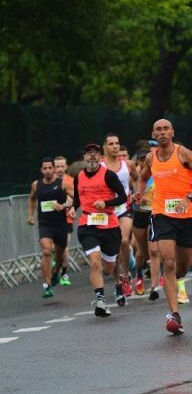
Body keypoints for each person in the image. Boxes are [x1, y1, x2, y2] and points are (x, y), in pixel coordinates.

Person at [135, 119, 192, 334]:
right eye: (158, 130)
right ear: (153, 133)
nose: (162, 133)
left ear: (172, 132)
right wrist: (140, 193)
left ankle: (180, 279)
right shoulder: (151, 157)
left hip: (186, 215)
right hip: (161, 215)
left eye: (165, 129)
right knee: (168, 262)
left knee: (183, 265)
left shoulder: (184, 154)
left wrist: (189, 197)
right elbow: (142, 177)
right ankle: (174, 315)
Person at [70, 143, 127, 317]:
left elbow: (123, 197)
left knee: (108, 267)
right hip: (88, 224)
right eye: (89, 153)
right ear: (84, 157)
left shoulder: (108, 176)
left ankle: (117, 280)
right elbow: (78, 198)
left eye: (96, 153)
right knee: (95, 262)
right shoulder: (79, 177)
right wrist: (73, 207)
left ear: (101, 157)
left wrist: (106, 203)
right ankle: (101, 300)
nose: (92, 156)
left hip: (109, 225)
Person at [102, 133, 138, 306]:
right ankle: (118, 283)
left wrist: (136, 194)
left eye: (117, 143)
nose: (115, 146)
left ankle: (126, 276)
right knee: (113, 250)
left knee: (124, 241)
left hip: (124, 208)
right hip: (108, 212)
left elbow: (138, 179)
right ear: (105, 147)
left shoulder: (127, 164)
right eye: (111, 144)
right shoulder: (100, 166)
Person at [28, 158, 72, 298]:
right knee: (46, 251)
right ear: (41, 170)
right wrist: (30, 215)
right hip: (45, 225)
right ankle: (47, 285)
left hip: (61, 225)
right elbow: (32, 198)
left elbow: (75, 198)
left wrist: (64, 206)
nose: (47, 170)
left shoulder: (63, 183)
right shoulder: (36, 185)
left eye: (49, 168)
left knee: (59, 256)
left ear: (53, 169)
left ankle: (56, 273)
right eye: (44, 168)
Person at [131, 148, 161, 299]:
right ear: (138, 161)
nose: (144, 162)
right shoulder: (134, 176)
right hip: (139, 215)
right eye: (141, 159)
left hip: (154, 214)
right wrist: (135, 197)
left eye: (146, 159)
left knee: (154, 251)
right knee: (142, 253)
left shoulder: (157, 173)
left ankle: (154, 287)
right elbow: (126, 194)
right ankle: (139, 275)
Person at [53, 156, 74, 286]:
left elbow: (74, 199)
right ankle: (57, 264)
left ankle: (64, 273)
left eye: (62, 166)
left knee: (64, 247)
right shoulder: (49, 182)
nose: (59, 169)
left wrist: (66, 205)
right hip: (51, 221)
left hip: (66, 219)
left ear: (66, 167)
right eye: (57, 167)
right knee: (51, 248)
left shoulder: (69, 181)